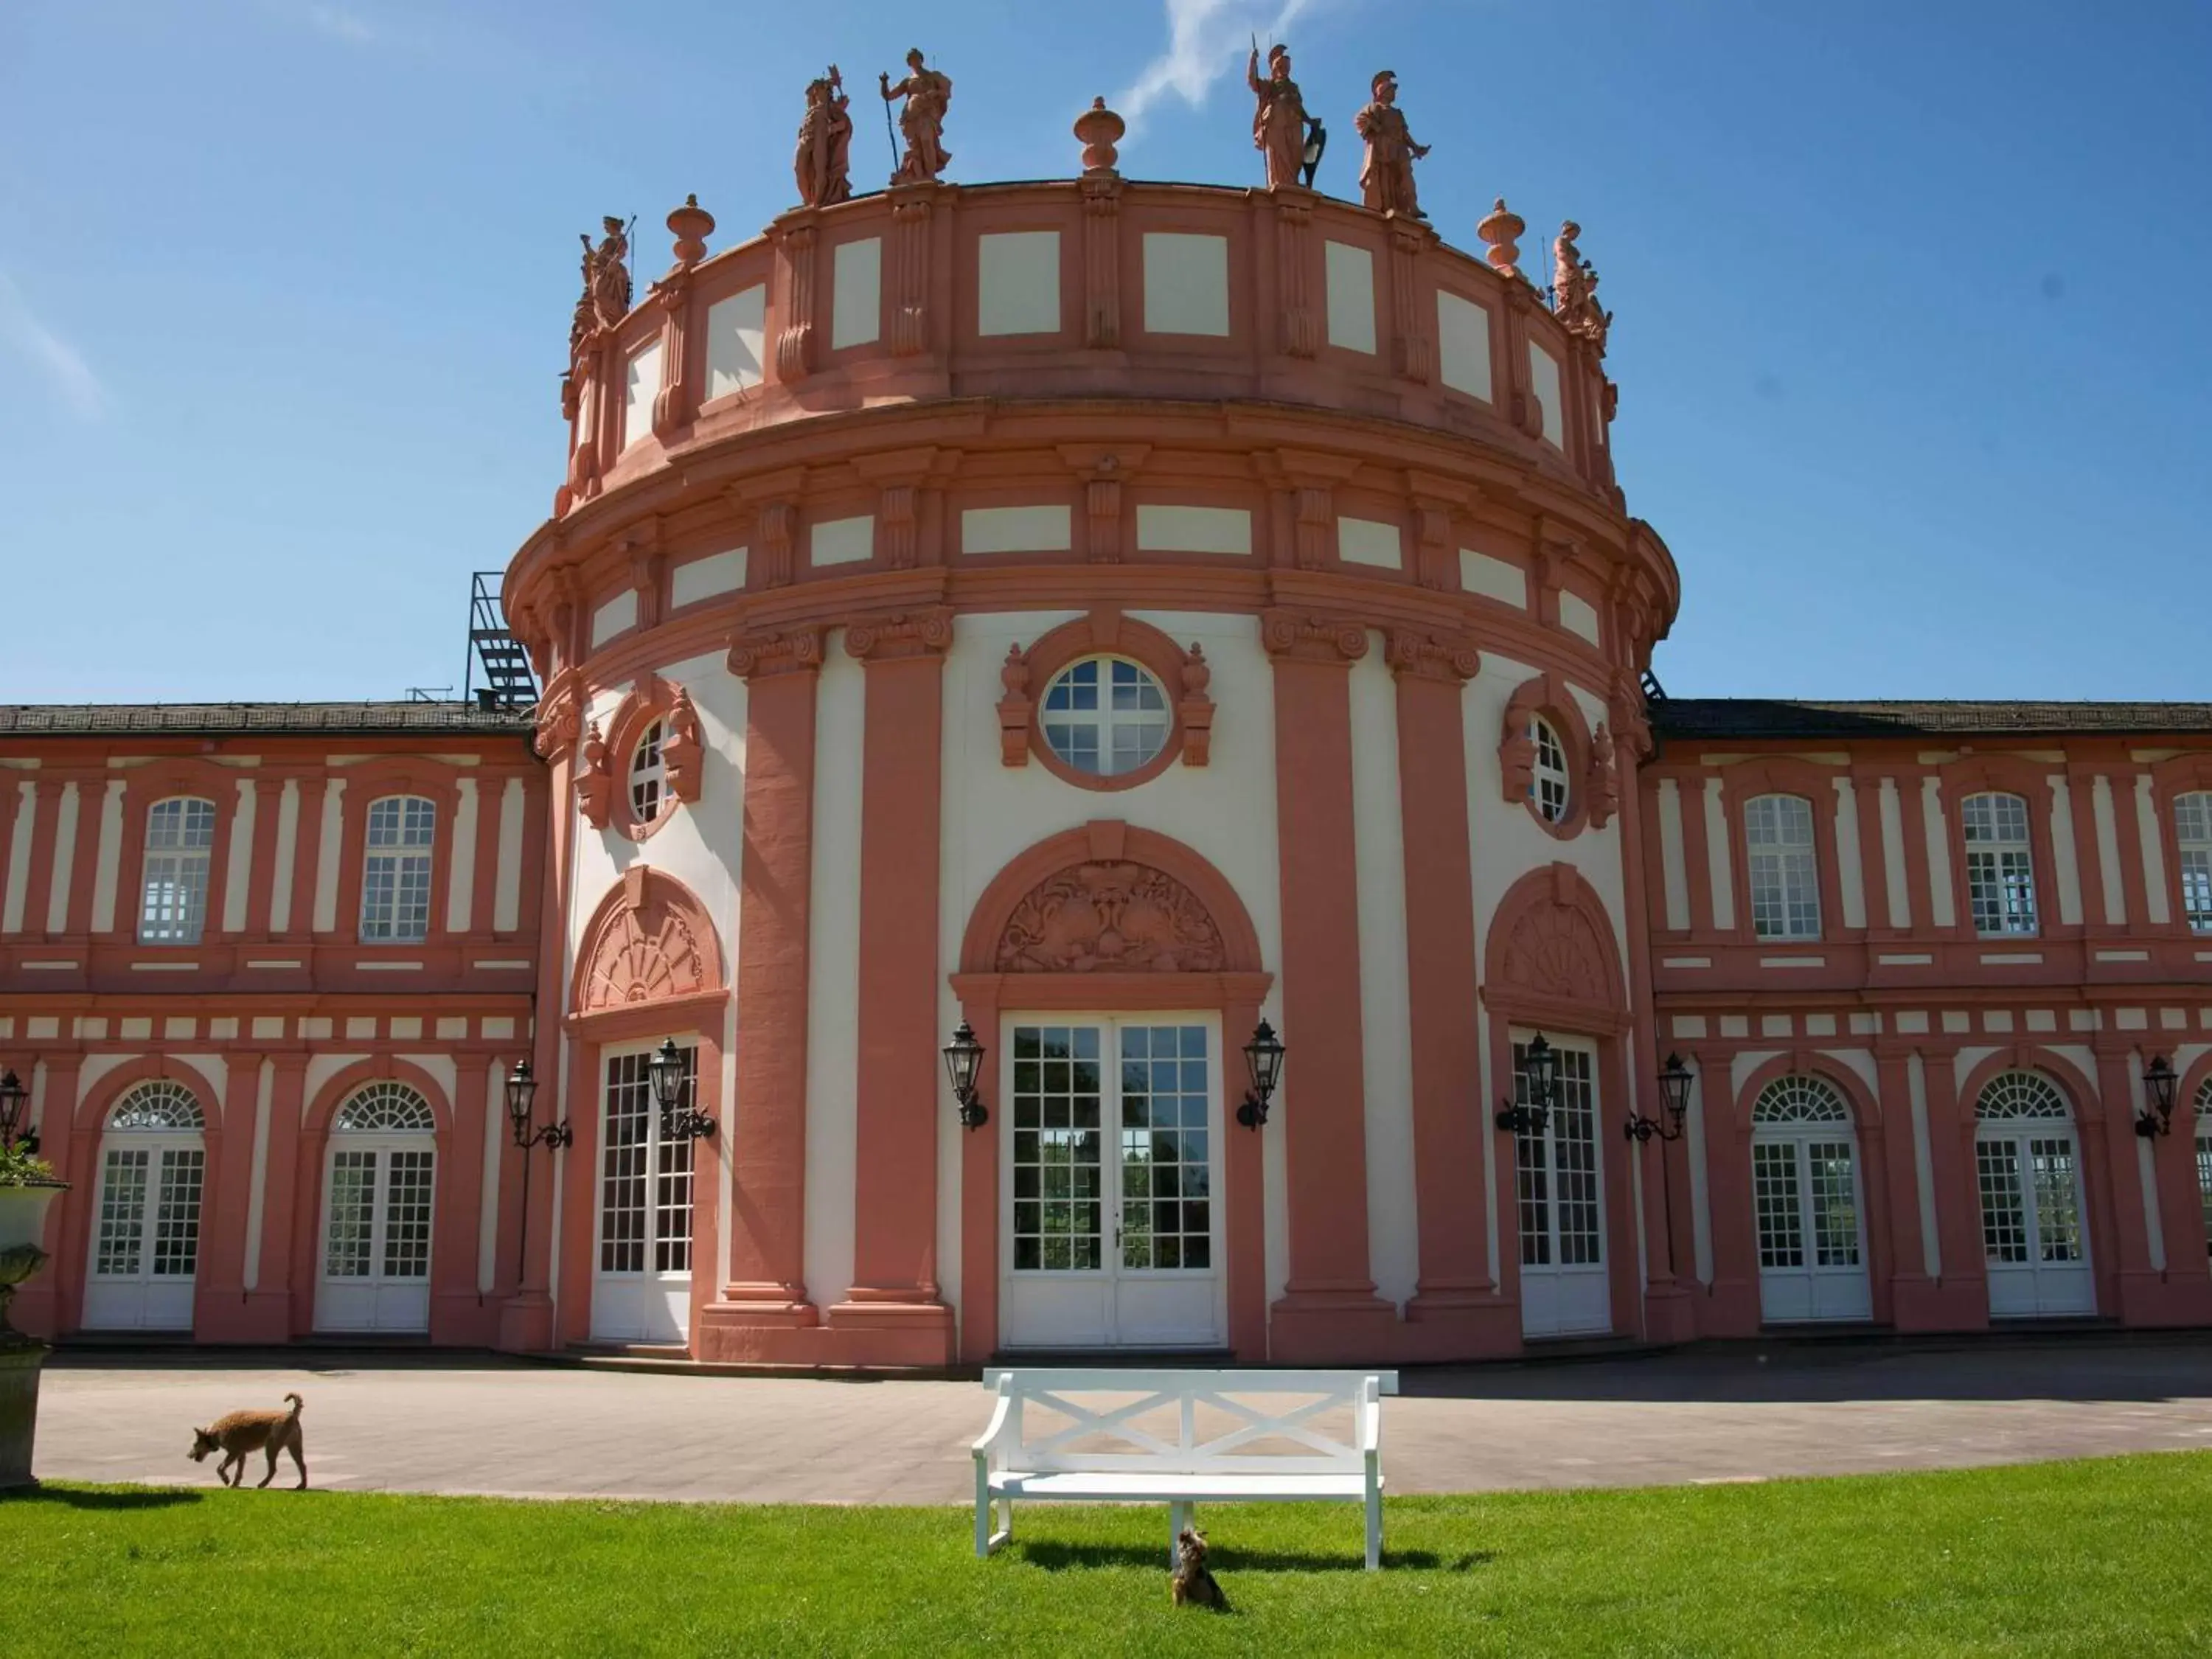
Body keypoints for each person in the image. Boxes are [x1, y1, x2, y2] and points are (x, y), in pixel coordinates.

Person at [1354, 70, 1430, 218]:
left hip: (1399, 149)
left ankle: (1412, 205)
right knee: (1384, 177)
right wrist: (1376, 127)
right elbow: (1360, 120)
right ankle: (1386, 206)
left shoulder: (1397, 113)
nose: (1394, 93)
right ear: (1383, 92)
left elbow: (1404, 134)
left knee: (1406, 175)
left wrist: (1416, 147)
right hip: (1382, 148)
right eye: (1391, 90)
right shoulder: (1374, 108)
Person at [880, 48, 952, 184]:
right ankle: (918, 175)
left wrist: (935, 93)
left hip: (927, 114)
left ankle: (930, 177)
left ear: (921, 59)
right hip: (910, 116)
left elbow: (946, 91)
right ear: (909, 63)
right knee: (915, 148)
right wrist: (883, 82)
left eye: (916, 58)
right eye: (911, 59)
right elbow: (888, 96)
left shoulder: (933, 76)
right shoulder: (907, 81)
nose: (914, 61)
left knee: (927, 141)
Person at [1246, 42, 1309, 190]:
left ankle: (1293, 182)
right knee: (1279, 154)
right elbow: (1253, 82)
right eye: (1281, 66)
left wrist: (1310, 121)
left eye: (1287, 67)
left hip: (1294, 124)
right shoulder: (1270, 85)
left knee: (1297, 155)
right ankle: (1280, 184)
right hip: (1276, 122)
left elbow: (1299, 108)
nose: (1284, 70)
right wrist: (1253, 60)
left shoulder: (1294, 87)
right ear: (1275, 67)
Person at [795, 67, 853, 207]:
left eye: (818, 89)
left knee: (819, 169)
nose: (814, 93)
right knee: (799, 168)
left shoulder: (829, 107)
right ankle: (807, 199)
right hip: (806, 138)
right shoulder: (811, 110)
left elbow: (844, 124)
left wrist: (831, 129)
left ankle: (817, 202)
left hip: (820, 138)